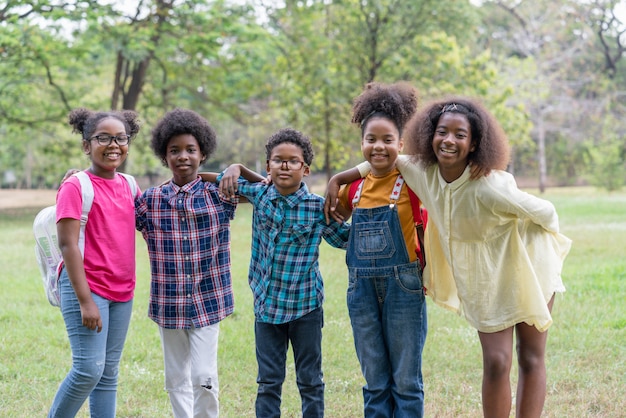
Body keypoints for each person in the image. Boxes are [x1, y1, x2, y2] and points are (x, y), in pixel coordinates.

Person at [326, 96, 572, 418]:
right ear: (430, 135)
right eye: (442, 132)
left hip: (529, 263)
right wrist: (339, 179)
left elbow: (548, 213)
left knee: (529, 356)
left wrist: (532, 243)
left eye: (460, 135)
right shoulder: (423, 172)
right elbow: (388, 158)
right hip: (486, 276)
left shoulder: (491, 186)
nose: (449, 140)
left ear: (473, 145)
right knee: (497, 362)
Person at [135, 108, 264, 418]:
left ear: (202, 153)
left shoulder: (219, 194)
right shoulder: (150, 200)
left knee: (203, 376)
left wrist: (237, 168)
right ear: (164, 157)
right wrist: (81, 178)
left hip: (209, 300)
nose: (183, 156)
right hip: (169, 303)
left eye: (191, 150)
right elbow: (109, 207)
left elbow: (269, 190)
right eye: (174, 150)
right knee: (175, 377)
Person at [217, 128, 351, 418]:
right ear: (268, 167)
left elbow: (346, 240)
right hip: (266, 309)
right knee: (268, 382)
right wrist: (234, 167)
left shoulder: (318, 208)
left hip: (305, 309)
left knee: (311, 382)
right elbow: (213, 180)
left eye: (293, 161)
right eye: (278, 160)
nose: (285, 165)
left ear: (305, 169)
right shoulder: (260, 194)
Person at [333, 82, 427, 417]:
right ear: (361, 143)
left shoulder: (414, 179)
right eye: (371, 139)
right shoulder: (354, 190)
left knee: (406, 381)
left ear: (400, 144)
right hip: (361, 291)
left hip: (405, 287)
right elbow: (332, 223)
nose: (378, 146)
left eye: (388, 140)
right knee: (374, 380)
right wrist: (336, 182)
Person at [50, 108, 141, 418]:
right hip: (87, 288)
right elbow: (68, 244)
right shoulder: (76, 186)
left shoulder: (129, 184)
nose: (113, 145)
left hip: (122, 291)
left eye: (120, 138)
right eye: (103, 138)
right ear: (86, 145)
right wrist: (85, 301)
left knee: (108, 373)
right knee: (89, 369)